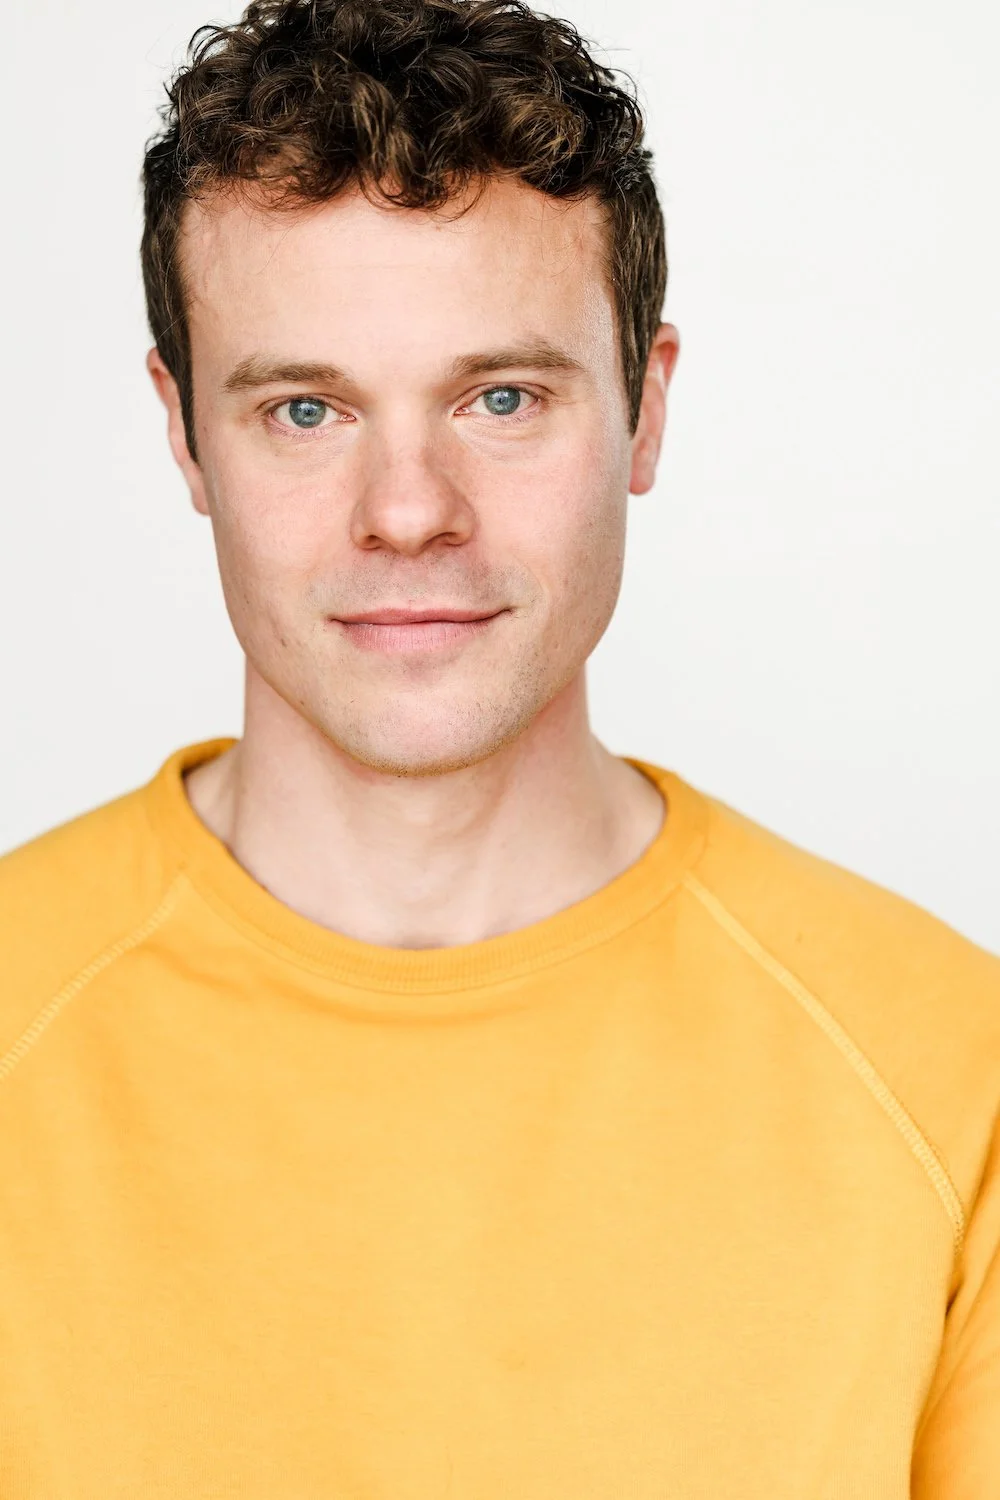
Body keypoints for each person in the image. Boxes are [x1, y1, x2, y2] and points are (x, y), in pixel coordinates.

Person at [0, 0, 996, 1492]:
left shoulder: (951, 1070)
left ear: (646, 409)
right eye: (306, 409)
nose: (409, 510)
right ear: (186, 434)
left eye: (504, 398)